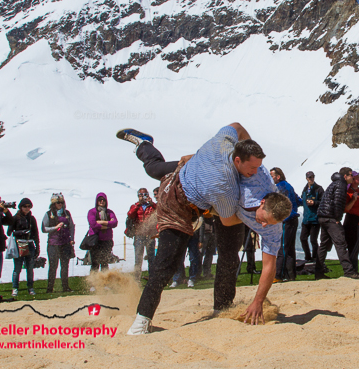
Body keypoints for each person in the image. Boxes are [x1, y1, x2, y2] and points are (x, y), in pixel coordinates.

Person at [117, 124, 291, 334]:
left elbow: (236, 127)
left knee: (229, 253)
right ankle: (142, 319)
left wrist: (258, 301)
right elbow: (227, 220)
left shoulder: (251, 170)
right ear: (238, 160)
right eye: (263, 220)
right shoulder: (226, 187)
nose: (262, 226)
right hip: (179, 201)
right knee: (166, 262)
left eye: (257, 167)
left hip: (204, 186)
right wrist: (198, 158)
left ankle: (222, 308)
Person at [315, 167, 359, 279]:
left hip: (323, 216)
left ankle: (318, 272)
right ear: (345, 176)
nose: (352, 177)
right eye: (351, 175)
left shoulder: (335, 183)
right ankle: (348, 271)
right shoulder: (341, 185)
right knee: (341, 243)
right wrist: (338, 218)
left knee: (323, 245)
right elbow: (338, 202)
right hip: (330, 218)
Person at [271, 167, 303, 282]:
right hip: (293, 219)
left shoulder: (280, 187)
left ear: (278, 176)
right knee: (290, 248)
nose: (271, 178)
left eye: (272, 176)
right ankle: (290, 274)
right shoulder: (289, 186)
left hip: (286, 219)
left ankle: (278, 274)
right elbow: (298, 200)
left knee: (283, 247)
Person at [41, 193, 76, 293]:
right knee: (53, 266)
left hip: (65, 243)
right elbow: (44, 228)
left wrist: (72, 238)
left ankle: (65, 287)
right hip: (53, 244)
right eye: (58, 202)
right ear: (54, 203)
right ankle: (50, 288)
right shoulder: (48, 214)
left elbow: (71, 226)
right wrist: (55, 228)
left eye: (61, 202)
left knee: (65, 266)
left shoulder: (67, 213)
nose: (60, 204)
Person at [7, 198, 40, 297]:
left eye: (29, 206)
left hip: (29, 244)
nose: (27, 208)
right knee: (17, 268)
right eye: (25, 206)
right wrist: (21, 232)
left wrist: (37, 247)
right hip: (19, 245)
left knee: (30, 268)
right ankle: (15, 288)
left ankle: (30, 287)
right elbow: (9, 232)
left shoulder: (32, 219)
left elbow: (36, 233)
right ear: (21, 207)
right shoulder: (15, 218)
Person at [127, 188, 157, 277]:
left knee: (151, 258)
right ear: (138, 196)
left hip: (150, 235)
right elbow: (130, 214)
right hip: (139, 235)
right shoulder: (135, 206)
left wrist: (151, 203)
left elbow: (159, 211)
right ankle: (137, 279)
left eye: (145, 195)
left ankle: (152, 278)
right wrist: (138, 204)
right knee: (138, 259)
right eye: (141, 195)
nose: (143, 197)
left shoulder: (151, 206)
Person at [87, 193, 118, 272]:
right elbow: (93, 224)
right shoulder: (92, 212)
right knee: (95, 264)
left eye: (103, 200)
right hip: (95, 241)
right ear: (96, 201)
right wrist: (108, 224)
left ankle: (104, 279)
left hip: (107, 241)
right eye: (100, 200)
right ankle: (94, 279)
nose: (102, 201)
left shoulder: (109, 212)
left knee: (105, 263)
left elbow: (114, 223)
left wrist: (101, 222)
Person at [300, 171, 323, 263]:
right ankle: (308, 256)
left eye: (312, 177)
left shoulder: (319, 189)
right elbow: (302, 200)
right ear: (306, 178)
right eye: (309, 177)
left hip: (315, 219)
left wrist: (314, 203)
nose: (311, 179)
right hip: (306, 219)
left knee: (313, 240)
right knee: (303, 238)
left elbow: (323, 202)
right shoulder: (305, 190)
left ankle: (315, 258)